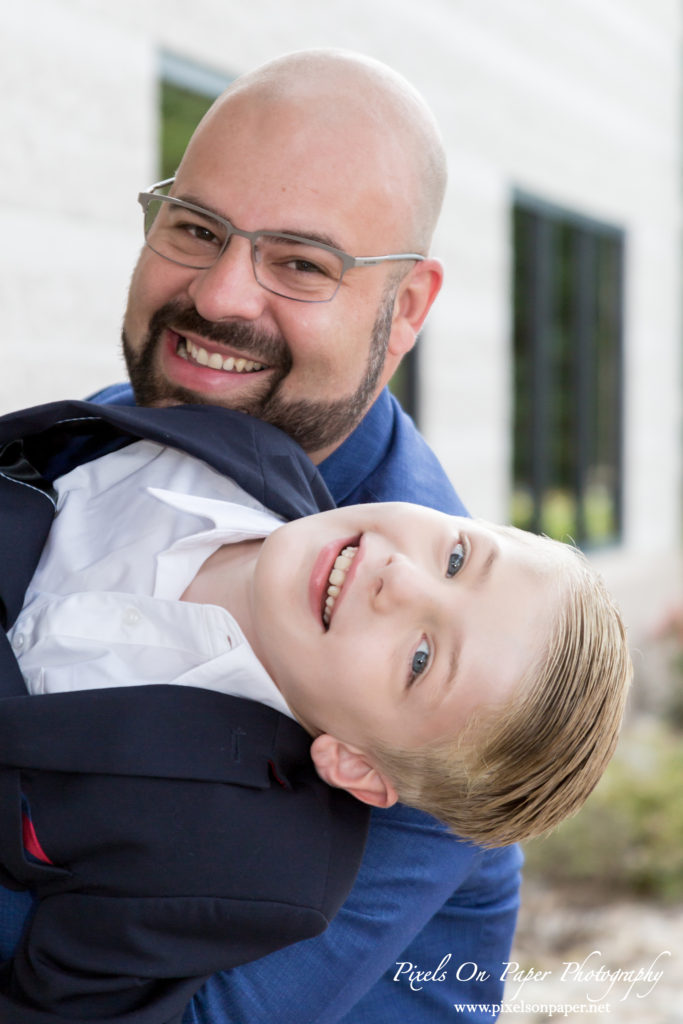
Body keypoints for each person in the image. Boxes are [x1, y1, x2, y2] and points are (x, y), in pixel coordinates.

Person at [0, 48, 562, 1022]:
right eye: (195, 227)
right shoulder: (133, 426)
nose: (218, 297)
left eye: (300, 263)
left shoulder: (443, 716)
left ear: (406, 311)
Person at [0, 398, 631, 1024]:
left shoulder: (239, 868)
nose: (400, 580)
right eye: (457, 559)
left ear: (356, 765)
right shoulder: (236, 447)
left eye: (420, 659)